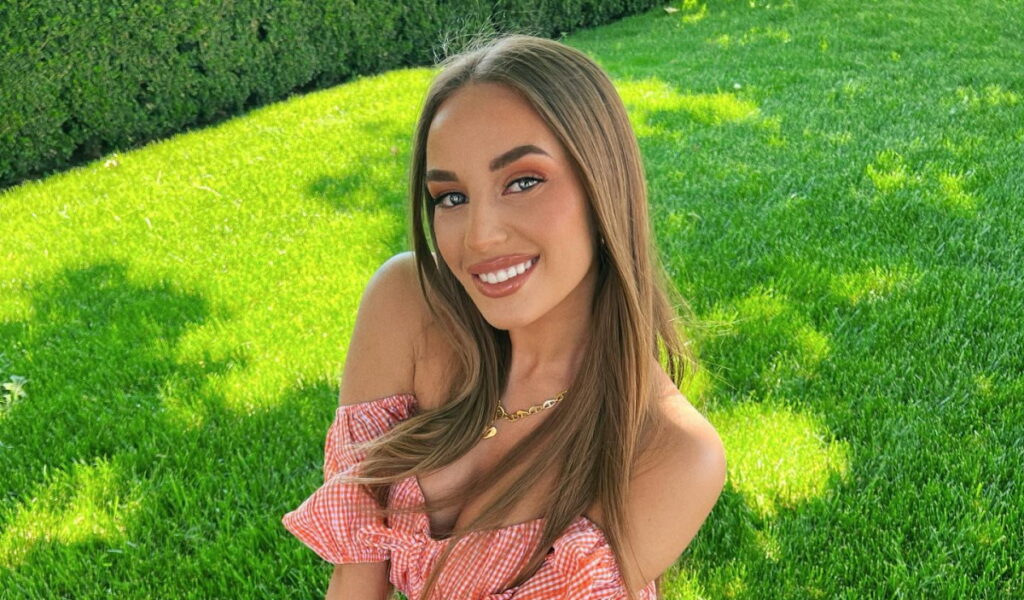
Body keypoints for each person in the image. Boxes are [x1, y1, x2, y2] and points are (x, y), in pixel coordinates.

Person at [282, 33, 726, 600]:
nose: (480, 237)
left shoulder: (669, 451)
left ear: (603, 187)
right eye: (451, 197)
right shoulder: (407, 305)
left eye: (523, 182)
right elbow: (356, 578)